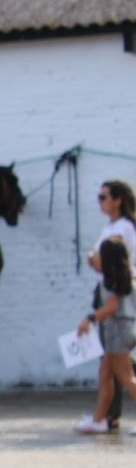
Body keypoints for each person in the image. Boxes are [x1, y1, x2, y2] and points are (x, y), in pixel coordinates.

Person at [86, 181, 136, 428]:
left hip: (114, 299)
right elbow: (96, 256)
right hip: (109, 293)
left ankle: (109, 415)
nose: (100, 201)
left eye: (103, 196)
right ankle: (103, 416)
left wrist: (90, 318)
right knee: (108, 366)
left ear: (117, 200)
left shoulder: (123, 228)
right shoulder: (111, 226)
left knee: (123, 371)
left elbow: (106, 258)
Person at [75, 236, 136, 434]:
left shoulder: (109, 282)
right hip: (126, 329)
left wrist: (90, 318)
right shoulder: (129, 277)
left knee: (127, 379)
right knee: (105, 374)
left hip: (116, 332)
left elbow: (111, 307)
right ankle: (99, 419)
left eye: (100, 255)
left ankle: (99, 419)